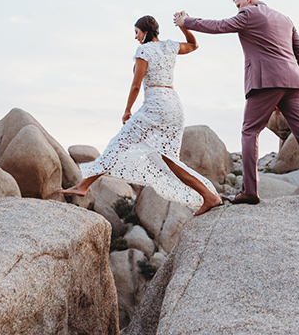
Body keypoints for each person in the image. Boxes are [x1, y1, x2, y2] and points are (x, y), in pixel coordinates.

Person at [173, 0, 299, 204]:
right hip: (293, 82)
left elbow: (219, 26)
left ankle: (249, 190)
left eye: (238, 5)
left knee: (250, 132)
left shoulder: (249, 14)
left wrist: (187, 22)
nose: (238, 10)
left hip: (265, 81)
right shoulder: (285, 19)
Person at [58, 15, 222, 216]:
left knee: (119, 143)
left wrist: (127, 110)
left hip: (156, 105)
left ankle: (83, 186)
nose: (135, 37)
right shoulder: (169, 46)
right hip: (174, 105)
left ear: (144, 32)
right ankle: (209, 196)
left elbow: (136, 85)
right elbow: (193, 45)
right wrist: (184, 26)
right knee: (169, 160)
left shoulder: (143, 50)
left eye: (136, 32)